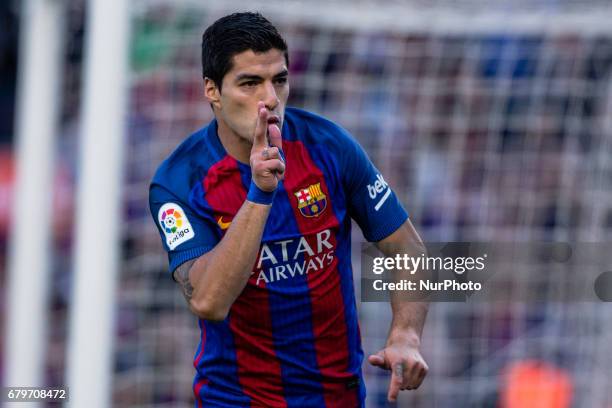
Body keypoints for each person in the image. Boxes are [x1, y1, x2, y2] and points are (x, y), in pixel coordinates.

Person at [149, 12, 428, 407]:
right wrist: (260, 193)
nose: (270, 98)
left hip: (338, 397)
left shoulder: (329, 147)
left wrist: (405, 336)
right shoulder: (179, 181)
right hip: (236, 399)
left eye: (279, 79)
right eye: (250, 83)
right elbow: (208, 302)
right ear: (212, 90)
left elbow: (409, 249)